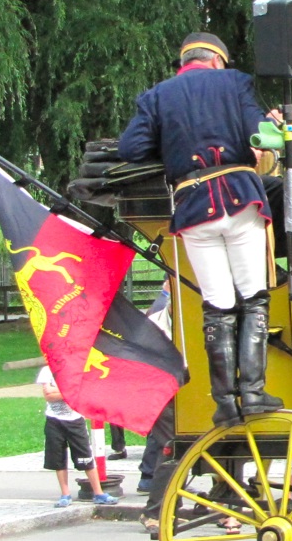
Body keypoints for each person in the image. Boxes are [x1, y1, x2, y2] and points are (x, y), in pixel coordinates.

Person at [119, 32, 281, 426]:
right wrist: (274, 126)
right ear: (217, 60)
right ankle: (253, 392)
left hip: (193, 207)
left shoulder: (156, 96)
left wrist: (171, 144)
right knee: (253, 296)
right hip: (240, 199)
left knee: (217, 305)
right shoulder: (234, 82)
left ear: (185, 61)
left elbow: (131, 149)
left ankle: (224, 402)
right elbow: (263, 135)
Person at [38, 366, 120, 508]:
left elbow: (80, 393)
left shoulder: (76, 368)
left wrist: (58, 391)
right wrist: (68, 393)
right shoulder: (47, 370)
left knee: (85, 456)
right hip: (54, 420)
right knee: (58, 457)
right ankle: (65, 494)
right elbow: (48, 395)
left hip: (75, 420)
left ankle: (98, 493)